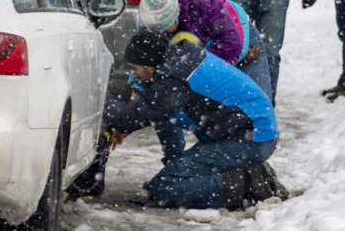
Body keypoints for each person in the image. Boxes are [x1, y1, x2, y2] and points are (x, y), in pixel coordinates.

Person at [108, 30, 283, 210]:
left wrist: (102, 105)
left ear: (148, 64)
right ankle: (247, 174)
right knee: (166, 183)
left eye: (135, 68)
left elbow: (130, 115)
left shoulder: (175, 79)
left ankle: (248, 185)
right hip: (248, 133)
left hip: (251, 138)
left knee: (164, 188)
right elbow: (154, 113)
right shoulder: (180, 61)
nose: (135, 74)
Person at [139, 0, 273, 101]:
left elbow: (232, 44)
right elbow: (142, 60)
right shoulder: (148, 16)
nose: (161, 34)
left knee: (259, 101)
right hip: (207, 50)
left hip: (239, 36)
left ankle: (242, 60)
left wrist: (184, 70)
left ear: (175, 18)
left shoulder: (203, 1)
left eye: (164, 29)